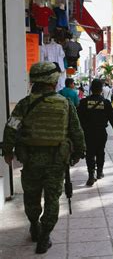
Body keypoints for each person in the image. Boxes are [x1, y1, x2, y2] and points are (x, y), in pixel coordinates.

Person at [2, 62, 85, 254]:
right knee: (52, 199)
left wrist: (7, 150)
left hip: (30, 160)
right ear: (53, 81)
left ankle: (34, 225)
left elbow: (11, 127)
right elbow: (76, 131)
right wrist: (78, 152)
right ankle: (45, 236)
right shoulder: (65, 103)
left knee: (31, 197)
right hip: (56, 161)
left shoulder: (24, 104)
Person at [77, 79, 113, 186]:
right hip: (101, 132)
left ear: (91, 89)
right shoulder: (106, 103)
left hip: (88, 132)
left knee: (90, 153)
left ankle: (91, 175)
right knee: (100, 152)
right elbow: (112, 117)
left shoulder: (84, 102)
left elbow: (78, 118)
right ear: (101, 90)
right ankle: (99, 172)